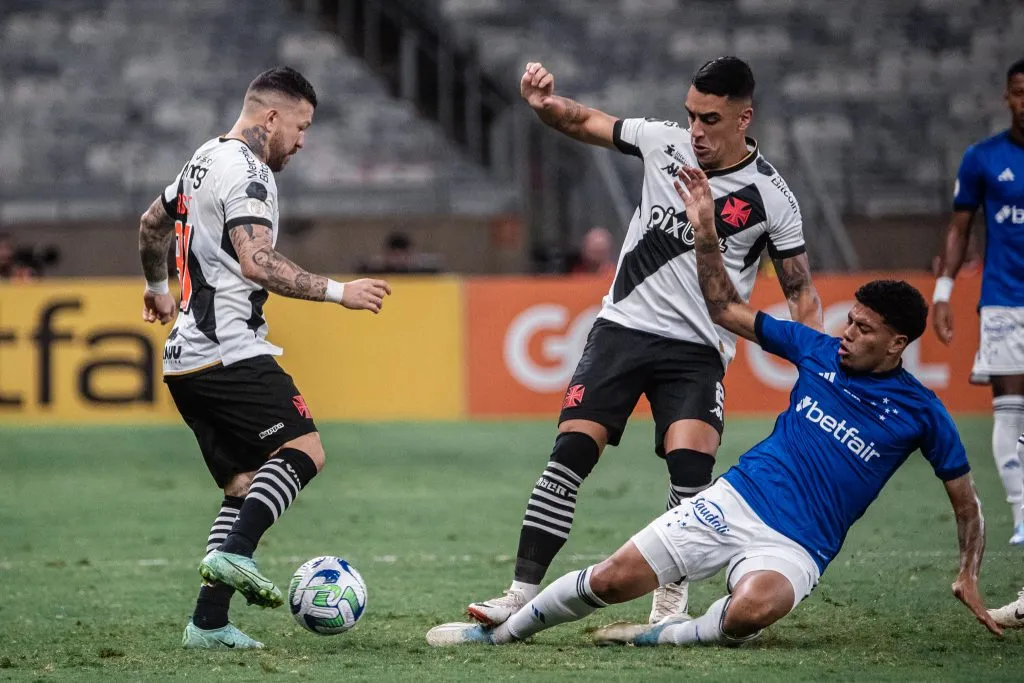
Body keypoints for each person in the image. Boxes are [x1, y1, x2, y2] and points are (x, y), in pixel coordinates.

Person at [426, 165, 1002, 648]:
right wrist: (706, 230)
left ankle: (660, 636)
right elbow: (725, 309)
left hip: (800, 544)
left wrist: (968, 573)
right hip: (735, 501)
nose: (846, 332)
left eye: (864, 328)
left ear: (897, 344)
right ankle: (500, 635)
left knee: (752, 612)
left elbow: (967, 503)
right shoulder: (816, 349)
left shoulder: (923, 412)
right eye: (849, 319)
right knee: (609, 577)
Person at [464, 56, 822, 628]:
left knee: (690, 471)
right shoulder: (664, 143)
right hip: (622, 332)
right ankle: (517, 593)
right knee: (570, 455)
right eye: (690, 115)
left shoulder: (771, 197)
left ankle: (669, 602)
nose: (696, 131)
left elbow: (802, 292)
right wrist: (542, 104)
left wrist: (817, 365)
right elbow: (584, 121)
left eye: (709, 119)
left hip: (698, 352)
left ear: (743, 117)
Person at [138, 67, 391, 649]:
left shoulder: (202, 159)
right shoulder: (247, 171)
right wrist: (338, 292)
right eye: (301, 127)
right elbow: (258, 262)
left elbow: (151, 223)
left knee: (244, 483)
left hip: (184, 363)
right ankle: (238, 558)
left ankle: (207, 624)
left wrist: (157, 287)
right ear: (271, 118)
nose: (303, 141)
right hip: (230, 353)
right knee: (305, 450)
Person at [932, 58, 1024, 544]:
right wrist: (943, 292)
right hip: (1005, 301)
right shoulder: (983, 158)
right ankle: (1021, 516)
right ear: (1007, 97)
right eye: (1019, 93)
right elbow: (959, 229)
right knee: (1010, 409)